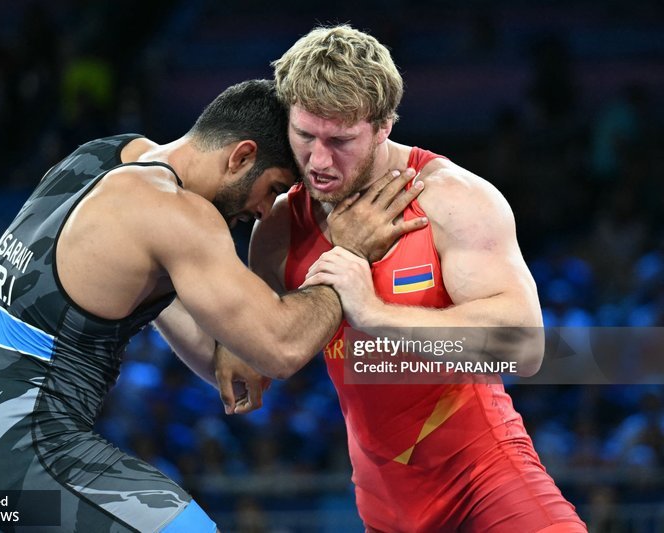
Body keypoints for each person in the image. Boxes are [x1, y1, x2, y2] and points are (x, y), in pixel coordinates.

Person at [0, 80, 422, 532]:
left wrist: (230, 340)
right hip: (14, 441)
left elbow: (211, 350)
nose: (261, 211)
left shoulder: (102, 158)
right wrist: (348, 251)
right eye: (271, 187)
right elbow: (280, 348)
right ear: (241, 156)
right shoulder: (180, 215)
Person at [198, 26, 584, 532]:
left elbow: (526, 349)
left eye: (340, 141)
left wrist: (377, 315)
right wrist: (229, 334)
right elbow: (257, 367)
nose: (318, 161)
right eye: (305, 136)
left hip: (485, 481)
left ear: (383, 126)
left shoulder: (453, 200)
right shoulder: (278, 228)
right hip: (384, 506)